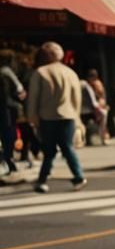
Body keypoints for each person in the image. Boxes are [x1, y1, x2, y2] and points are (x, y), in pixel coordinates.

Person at [25, 42, 87, 192]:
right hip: (68, 115)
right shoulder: (70, 73)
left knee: (49, 149)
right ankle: (78, 176)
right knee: (68, 147)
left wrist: (32, 116)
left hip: (47, 117)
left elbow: (33, 97)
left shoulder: (40, 73)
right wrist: (77, 117)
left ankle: (42, 179)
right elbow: (76, 98)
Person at [0, 50, 25, 175]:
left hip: (5, 107)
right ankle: (9, 160)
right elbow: (19, 88)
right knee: (9, 135)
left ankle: (7, 161)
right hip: (6, 109)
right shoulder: (6, 71)